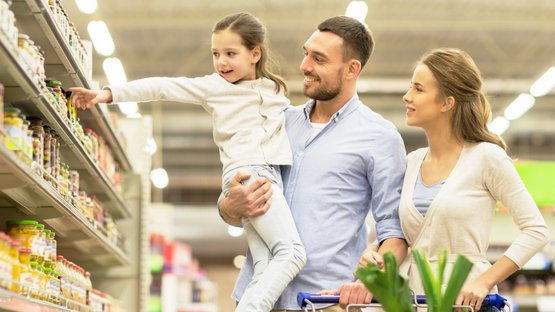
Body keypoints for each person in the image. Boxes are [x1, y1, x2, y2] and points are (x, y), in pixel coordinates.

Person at [69, 12, 307, 312]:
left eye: (231, 53)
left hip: (263, 172)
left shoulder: (274, 89)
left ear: (255, 53)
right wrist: (108, 93)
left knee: (265, 264)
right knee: (293, 253)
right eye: (216, 54)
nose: (221, 62)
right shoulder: (214, 87)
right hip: (251, 175)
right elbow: (163, 87)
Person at [219, 16, 408, 311]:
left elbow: (394, 232)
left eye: (319, 59)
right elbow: (233, 208)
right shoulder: (278, 122)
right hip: (256, 296)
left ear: (351, 69)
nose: (305, 65)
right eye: (306, 53)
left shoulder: (379, 137)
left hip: (323, 300)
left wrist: (369, 281)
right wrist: (230, 206)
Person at [362, 48, 550, 311]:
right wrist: (375, 252)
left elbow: (536, 231)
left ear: (446, 103)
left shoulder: (486, 157)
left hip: (467, 302)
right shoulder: (411, 162)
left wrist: (484, 282)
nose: (407, 96)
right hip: (414, 301)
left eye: (418, 89)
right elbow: (403, 234)